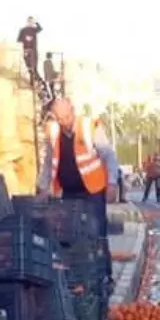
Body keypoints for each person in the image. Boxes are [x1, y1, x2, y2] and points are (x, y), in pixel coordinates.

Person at [36, 98, 120, 290]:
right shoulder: (54, 133)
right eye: (59, 118)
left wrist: (112, 183)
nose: (64, 121)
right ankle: (78, 278)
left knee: (97, 234)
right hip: (68, 193)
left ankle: (104, 277)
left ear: (72, 111)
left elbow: (109, 156)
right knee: (71, 236)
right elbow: (49, 162)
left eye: (66, 116)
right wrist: (43, 187)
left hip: (93, 191)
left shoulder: (90, 127)